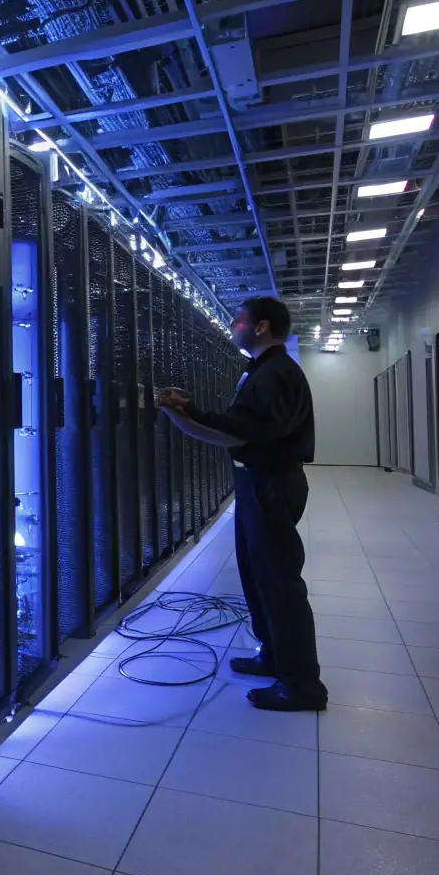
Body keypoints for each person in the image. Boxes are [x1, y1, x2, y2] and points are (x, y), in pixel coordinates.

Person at [155, 296, 327, 713]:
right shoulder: (266, 371)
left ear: (262, 327)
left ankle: (302, 686)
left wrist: (185, 414)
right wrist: (187, 412)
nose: (233, 325)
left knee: (279, 584)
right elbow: (243, 429)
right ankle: (274, 656)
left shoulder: (276, 374)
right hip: (258, 483)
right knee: (257, 578)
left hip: (270, 483)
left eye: (239, 320)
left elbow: (244, 432)